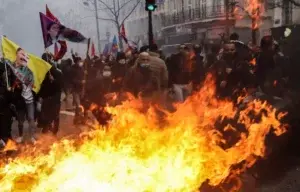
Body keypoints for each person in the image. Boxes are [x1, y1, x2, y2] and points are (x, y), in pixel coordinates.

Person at [38, 53, 62, 135]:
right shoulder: (42, 71)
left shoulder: (56, 71)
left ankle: (54, 130)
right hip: (46, 97)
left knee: (55, 115)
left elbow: (60, 85)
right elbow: (41, 85)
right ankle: (46, 127)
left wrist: (53, 80)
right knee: (45, 114)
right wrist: (40, 96)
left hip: (55, 97)